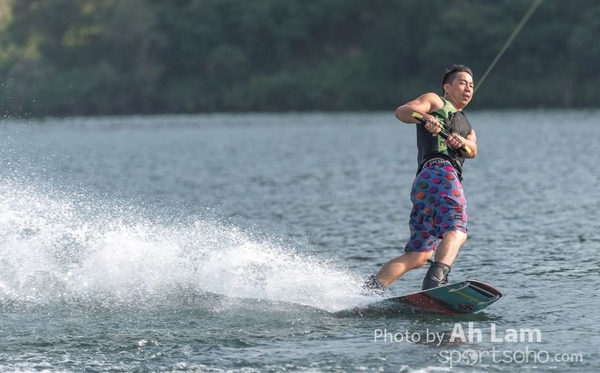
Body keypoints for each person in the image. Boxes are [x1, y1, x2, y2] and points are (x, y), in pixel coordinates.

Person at [365, 64, 478, 294]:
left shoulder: (467, 125)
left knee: (418, 255)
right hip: (442, 174)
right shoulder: (435, 101)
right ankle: (435, 282)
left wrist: (460, 142)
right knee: (457, 231)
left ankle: (370, 290)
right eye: (462, 83)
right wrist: (427, 118)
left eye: (472, 85)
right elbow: (403, 111)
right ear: (447, 87)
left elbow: (473, 150)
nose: (468, 88)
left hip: (424, 184)